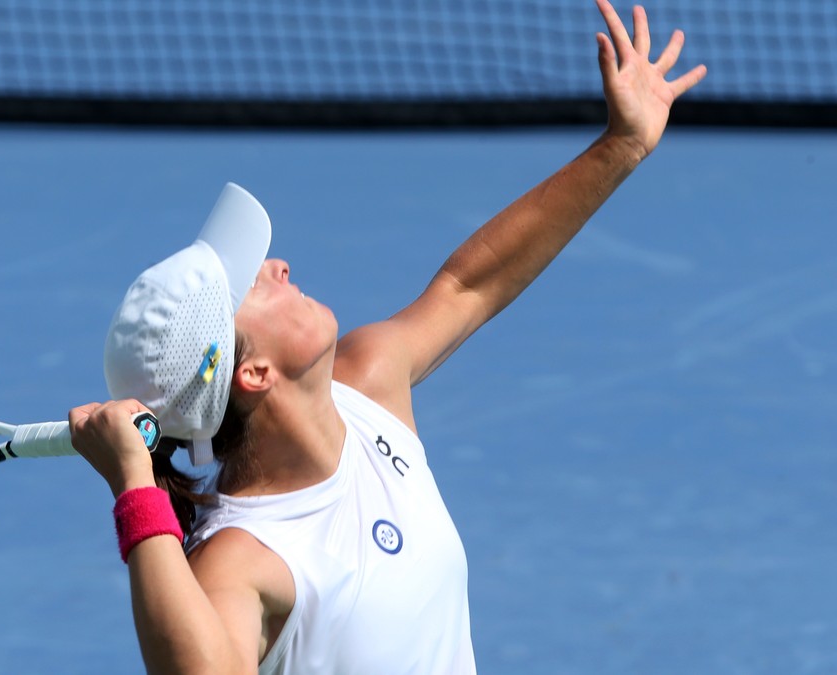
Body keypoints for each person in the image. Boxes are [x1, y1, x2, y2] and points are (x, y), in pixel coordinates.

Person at [68, 2, 707, 673]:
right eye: (255, 285)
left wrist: (622, 144)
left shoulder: (367, 386)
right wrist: (135, 489)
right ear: (252, 372)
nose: (279, 265)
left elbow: (469, 285)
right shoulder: (242, 559)